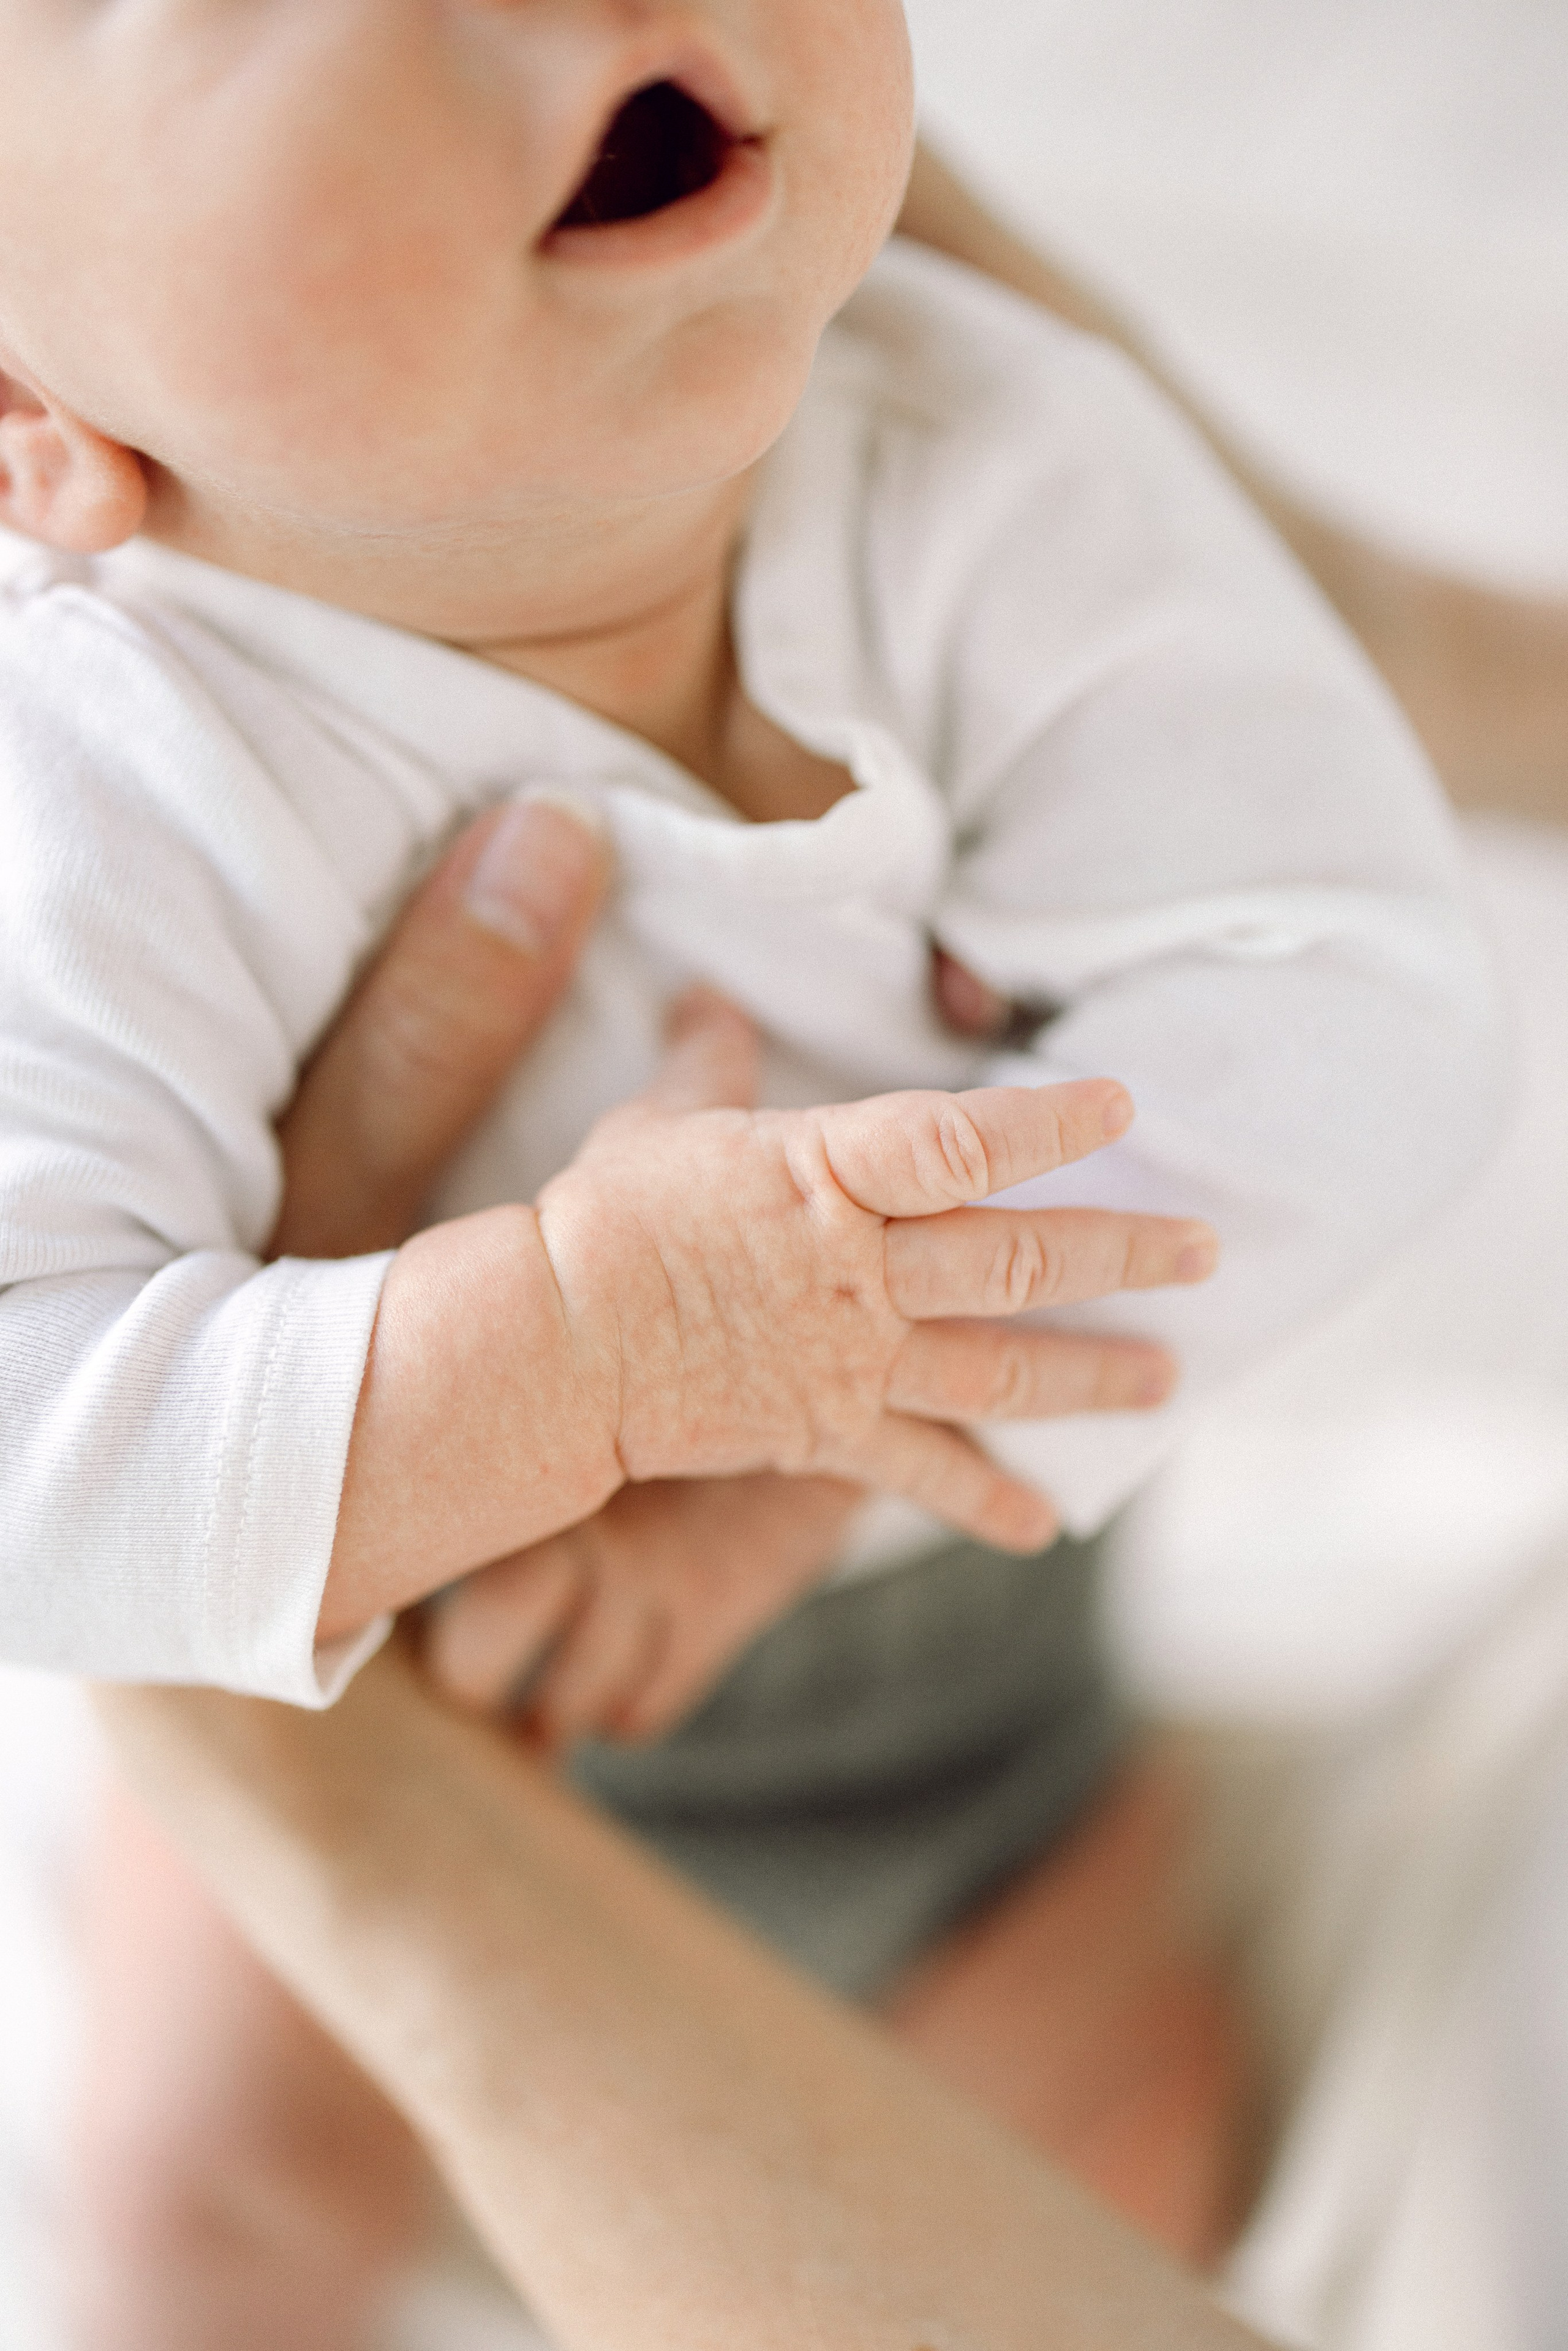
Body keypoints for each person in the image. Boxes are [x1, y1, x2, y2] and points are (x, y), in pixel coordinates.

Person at [0, 0, 1500, 2338]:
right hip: (374, 1725)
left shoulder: (998, 469)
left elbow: (1362, 1009)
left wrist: (799, 1455)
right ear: (32, 418)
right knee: (198, 2194)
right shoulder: (99, 791)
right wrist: (577, 1361)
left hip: (959, 1727)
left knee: (1121, 2160)